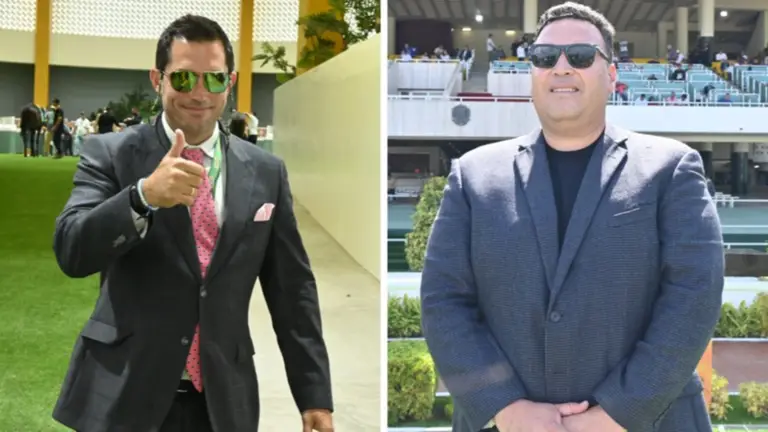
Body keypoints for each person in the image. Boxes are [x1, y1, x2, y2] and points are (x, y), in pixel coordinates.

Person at [420, 3, 723, 432]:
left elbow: (694, 297)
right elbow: (443, 301)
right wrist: (505, 407)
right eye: (545, 57)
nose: (561, 67)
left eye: (580, 56)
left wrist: (618, 411)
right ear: (533, 73)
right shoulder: (473, 175)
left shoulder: (670, 168)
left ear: (611, 74)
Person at [52, 14, 334, 432]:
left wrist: (314, 396)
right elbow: (72, 250)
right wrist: (142, 197)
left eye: (214, 79)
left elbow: (292, 290)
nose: (199, 93)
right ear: (158, 79)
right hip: (126, 394)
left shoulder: (266, 172)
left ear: (230, 82)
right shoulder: (111, 154)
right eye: (183, 79)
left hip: (222, 402)